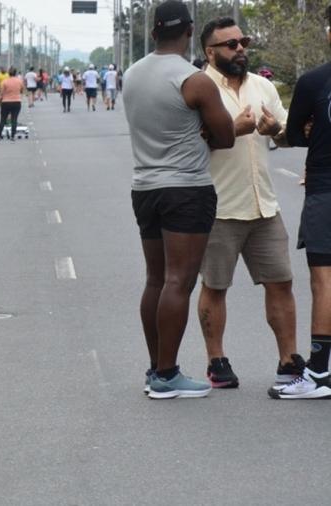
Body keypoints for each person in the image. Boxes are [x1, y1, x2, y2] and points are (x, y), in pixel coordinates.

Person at [122, 0, 234, 399]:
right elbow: (225, 137)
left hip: (144, 187)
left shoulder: (131, 75)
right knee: (179, 281)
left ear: (153, 33)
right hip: (186, 188)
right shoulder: (195, 80)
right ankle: (167, 376)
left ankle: (156, 368)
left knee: (155, 278)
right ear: (190, 32)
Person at [195, 17, 304, 392]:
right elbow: (186, 144)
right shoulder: (198, 88)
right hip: (219, 207)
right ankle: (216, 360)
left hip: (264, 206)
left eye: (243, 42)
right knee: (215, 285)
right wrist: (231, 130)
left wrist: (276, 131)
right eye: (230, 44)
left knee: (281, 283)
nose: (240, 48)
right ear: (210, 52)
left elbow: (288, 135)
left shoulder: (263, 86)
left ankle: (289, 360)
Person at [278, 3, 331, 399]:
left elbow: (294, 134)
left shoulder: (314, 81)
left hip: (326, 188)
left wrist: (314, 127)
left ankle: (317, 375)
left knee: (324, 278)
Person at [0, 67, 25, 142]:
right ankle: (12, 136)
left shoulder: (4, 82)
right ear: (15, 73)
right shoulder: (19, 81)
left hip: (6, 102)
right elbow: (22, 90)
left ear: (8, 73)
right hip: (16, 102)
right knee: (14, 119)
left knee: (2, 119)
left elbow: (1, 93)